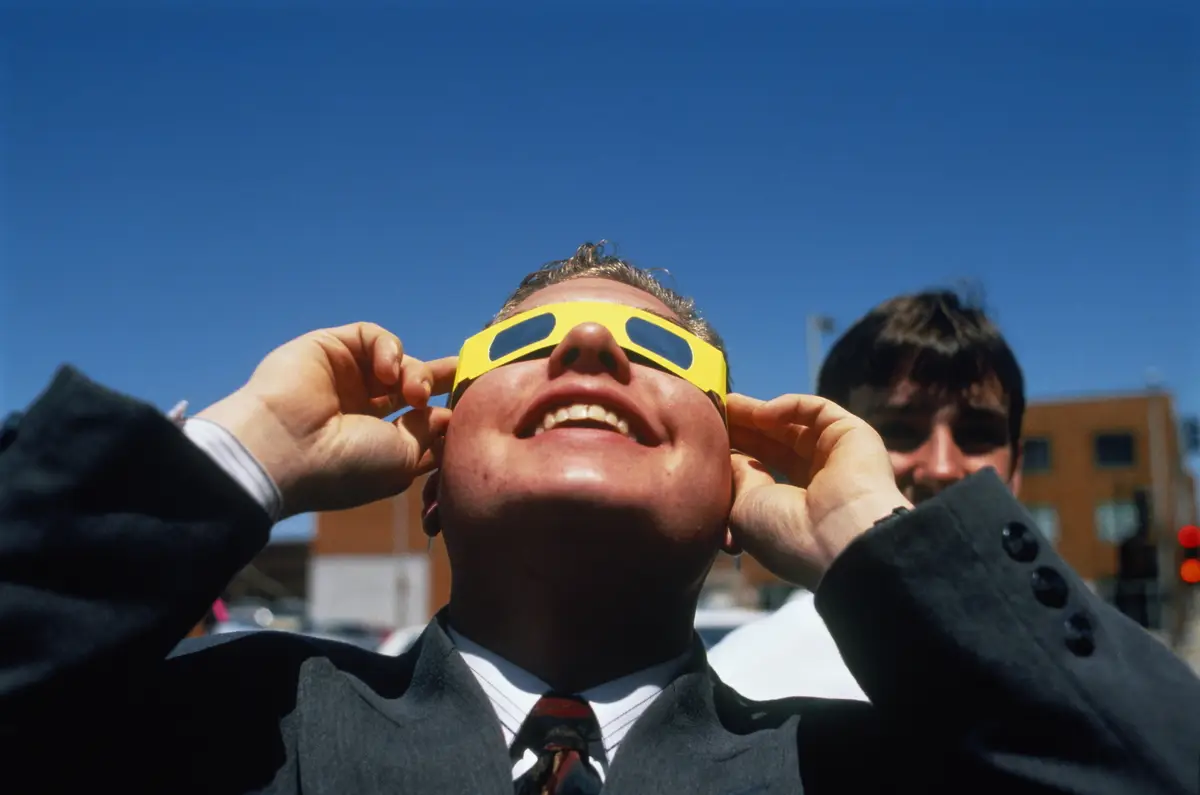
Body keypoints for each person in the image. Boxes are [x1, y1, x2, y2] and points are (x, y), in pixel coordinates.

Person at [2, 244, 1198, 794]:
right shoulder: (236, 724)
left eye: (658, 353)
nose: (584, 344)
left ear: (736, 494)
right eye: (521, 343)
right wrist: (245, 450)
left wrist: (878, 548)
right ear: (432, 467)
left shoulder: (861, 761)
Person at [709, 291, 1028, 701]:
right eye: (898, 431)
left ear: (1016, 468)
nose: (943, 468)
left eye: (978, 435)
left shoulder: (1099, 667)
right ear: (820, 452)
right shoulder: (748, 685)